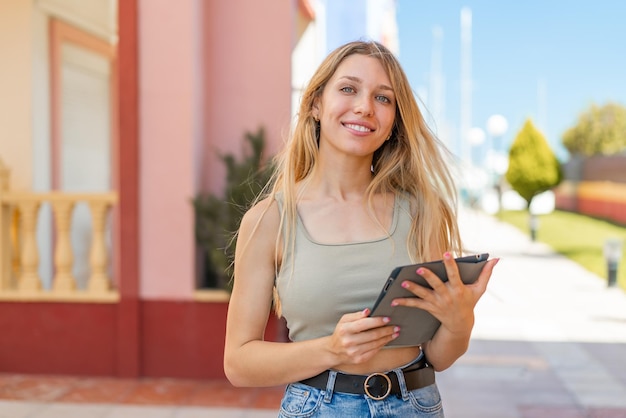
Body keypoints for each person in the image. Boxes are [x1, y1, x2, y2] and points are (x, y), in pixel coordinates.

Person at [224, 40, 499, 417]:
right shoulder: (268, 220)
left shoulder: (423, 212)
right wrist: (331, 350)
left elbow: (439, 355)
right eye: (349, 89)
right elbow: (238, 362)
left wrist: (459, 320)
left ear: (393, 124)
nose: (365, 107)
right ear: (316, 104)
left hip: (414, 405)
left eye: (383, 98)